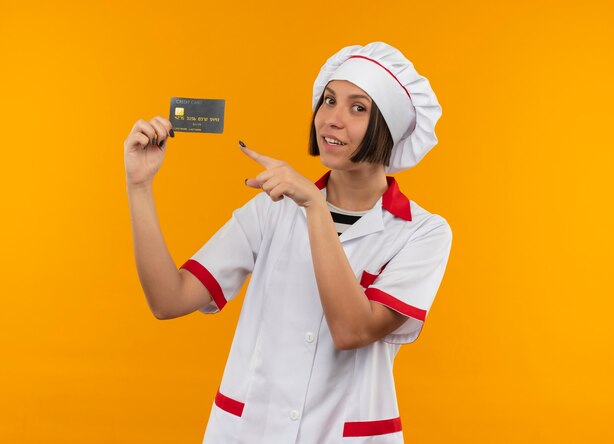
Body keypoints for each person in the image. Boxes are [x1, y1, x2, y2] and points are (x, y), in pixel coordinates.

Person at [124, 42, 452, 444]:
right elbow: (168, 299)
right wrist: (139, 186)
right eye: (328, 100)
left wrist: (315, 207)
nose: (331, 119)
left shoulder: (422, 232)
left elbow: (353, 330)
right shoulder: (271, 210)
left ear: (389, 127)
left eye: (357, 107)